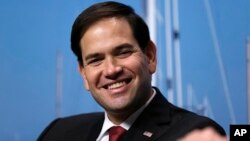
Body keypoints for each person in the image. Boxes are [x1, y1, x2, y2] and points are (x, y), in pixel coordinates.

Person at [37, 1, 227, 141]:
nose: (111, 70)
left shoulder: (194, 133)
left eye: (123, 52)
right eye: (96, 60)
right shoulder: (57, 133)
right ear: (84, 73)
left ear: (150, 56)